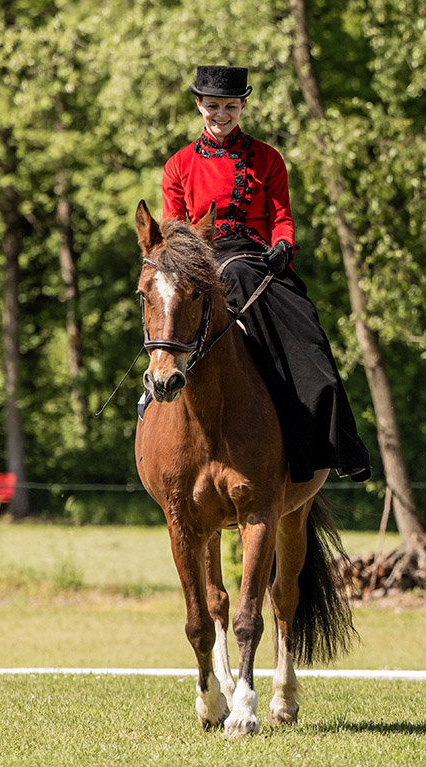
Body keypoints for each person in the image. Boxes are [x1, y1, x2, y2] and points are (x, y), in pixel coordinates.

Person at [159, 65, 371, 483]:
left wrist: (283, 246)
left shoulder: (268, 158)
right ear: (200, 105)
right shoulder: (179, 164)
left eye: (231, 107)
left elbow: (281, 217)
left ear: (242, 107)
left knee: (310, 334)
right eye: (214, 106)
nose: (222, 114)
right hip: (200, 260)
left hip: (258, 258)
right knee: (163, 309)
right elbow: (172, 227)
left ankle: (336, 440)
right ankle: (156, 388)